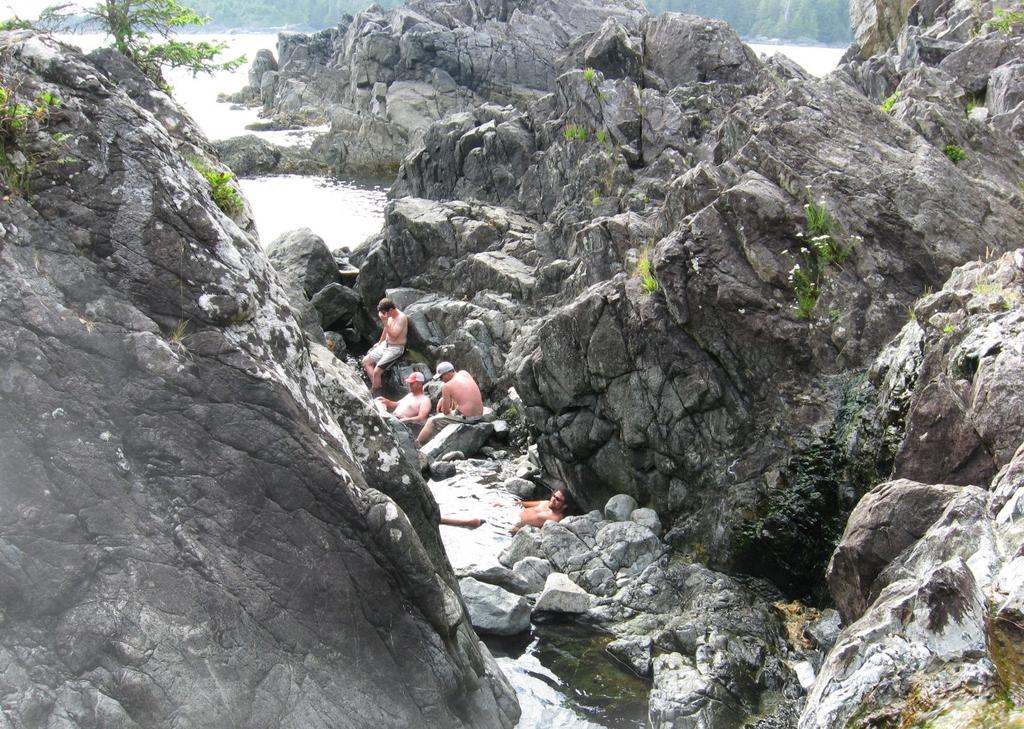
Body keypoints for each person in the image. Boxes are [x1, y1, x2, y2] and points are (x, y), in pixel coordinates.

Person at [415, 361, 484, 445]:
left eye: (441, 377)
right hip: (479, 414)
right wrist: (444, 398)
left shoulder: (447, 386)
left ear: (447, 373)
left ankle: (417, 444)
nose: (441, 380)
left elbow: (446, 412)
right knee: (455, 406)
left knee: (431, 421)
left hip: (469, 419)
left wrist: (444, 399)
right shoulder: (464, 373)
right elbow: (462, 393)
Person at [362, 297, 408, 392]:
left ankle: (376, 392)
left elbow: (394, 335)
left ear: (391, 310)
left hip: (396, 348)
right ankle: (377, 385)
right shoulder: (389, 316)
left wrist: (385, 321)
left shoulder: (401, 318)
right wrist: (380, 342)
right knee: (365, 362)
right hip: (385, 345)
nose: (384, 315)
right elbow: (385, 330)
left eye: (384, 312)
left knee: (377, 371)